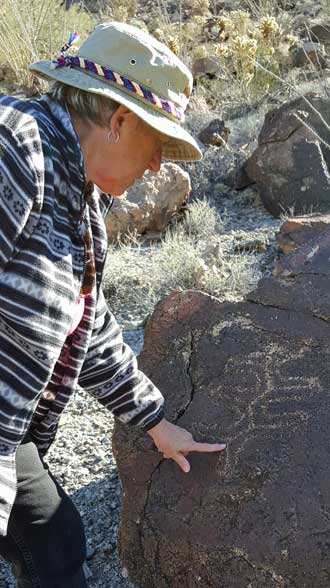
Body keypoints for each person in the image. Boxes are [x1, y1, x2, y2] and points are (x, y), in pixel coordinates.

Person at [0, 22, 226, 587]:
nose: (157, 168)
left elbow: (90, 327)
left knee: (55, 540)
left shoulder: (78, 199)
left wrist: (154, 420)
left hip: (9, 427)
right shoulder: (16, 148)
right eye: (157, 145)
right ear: (119, 121)